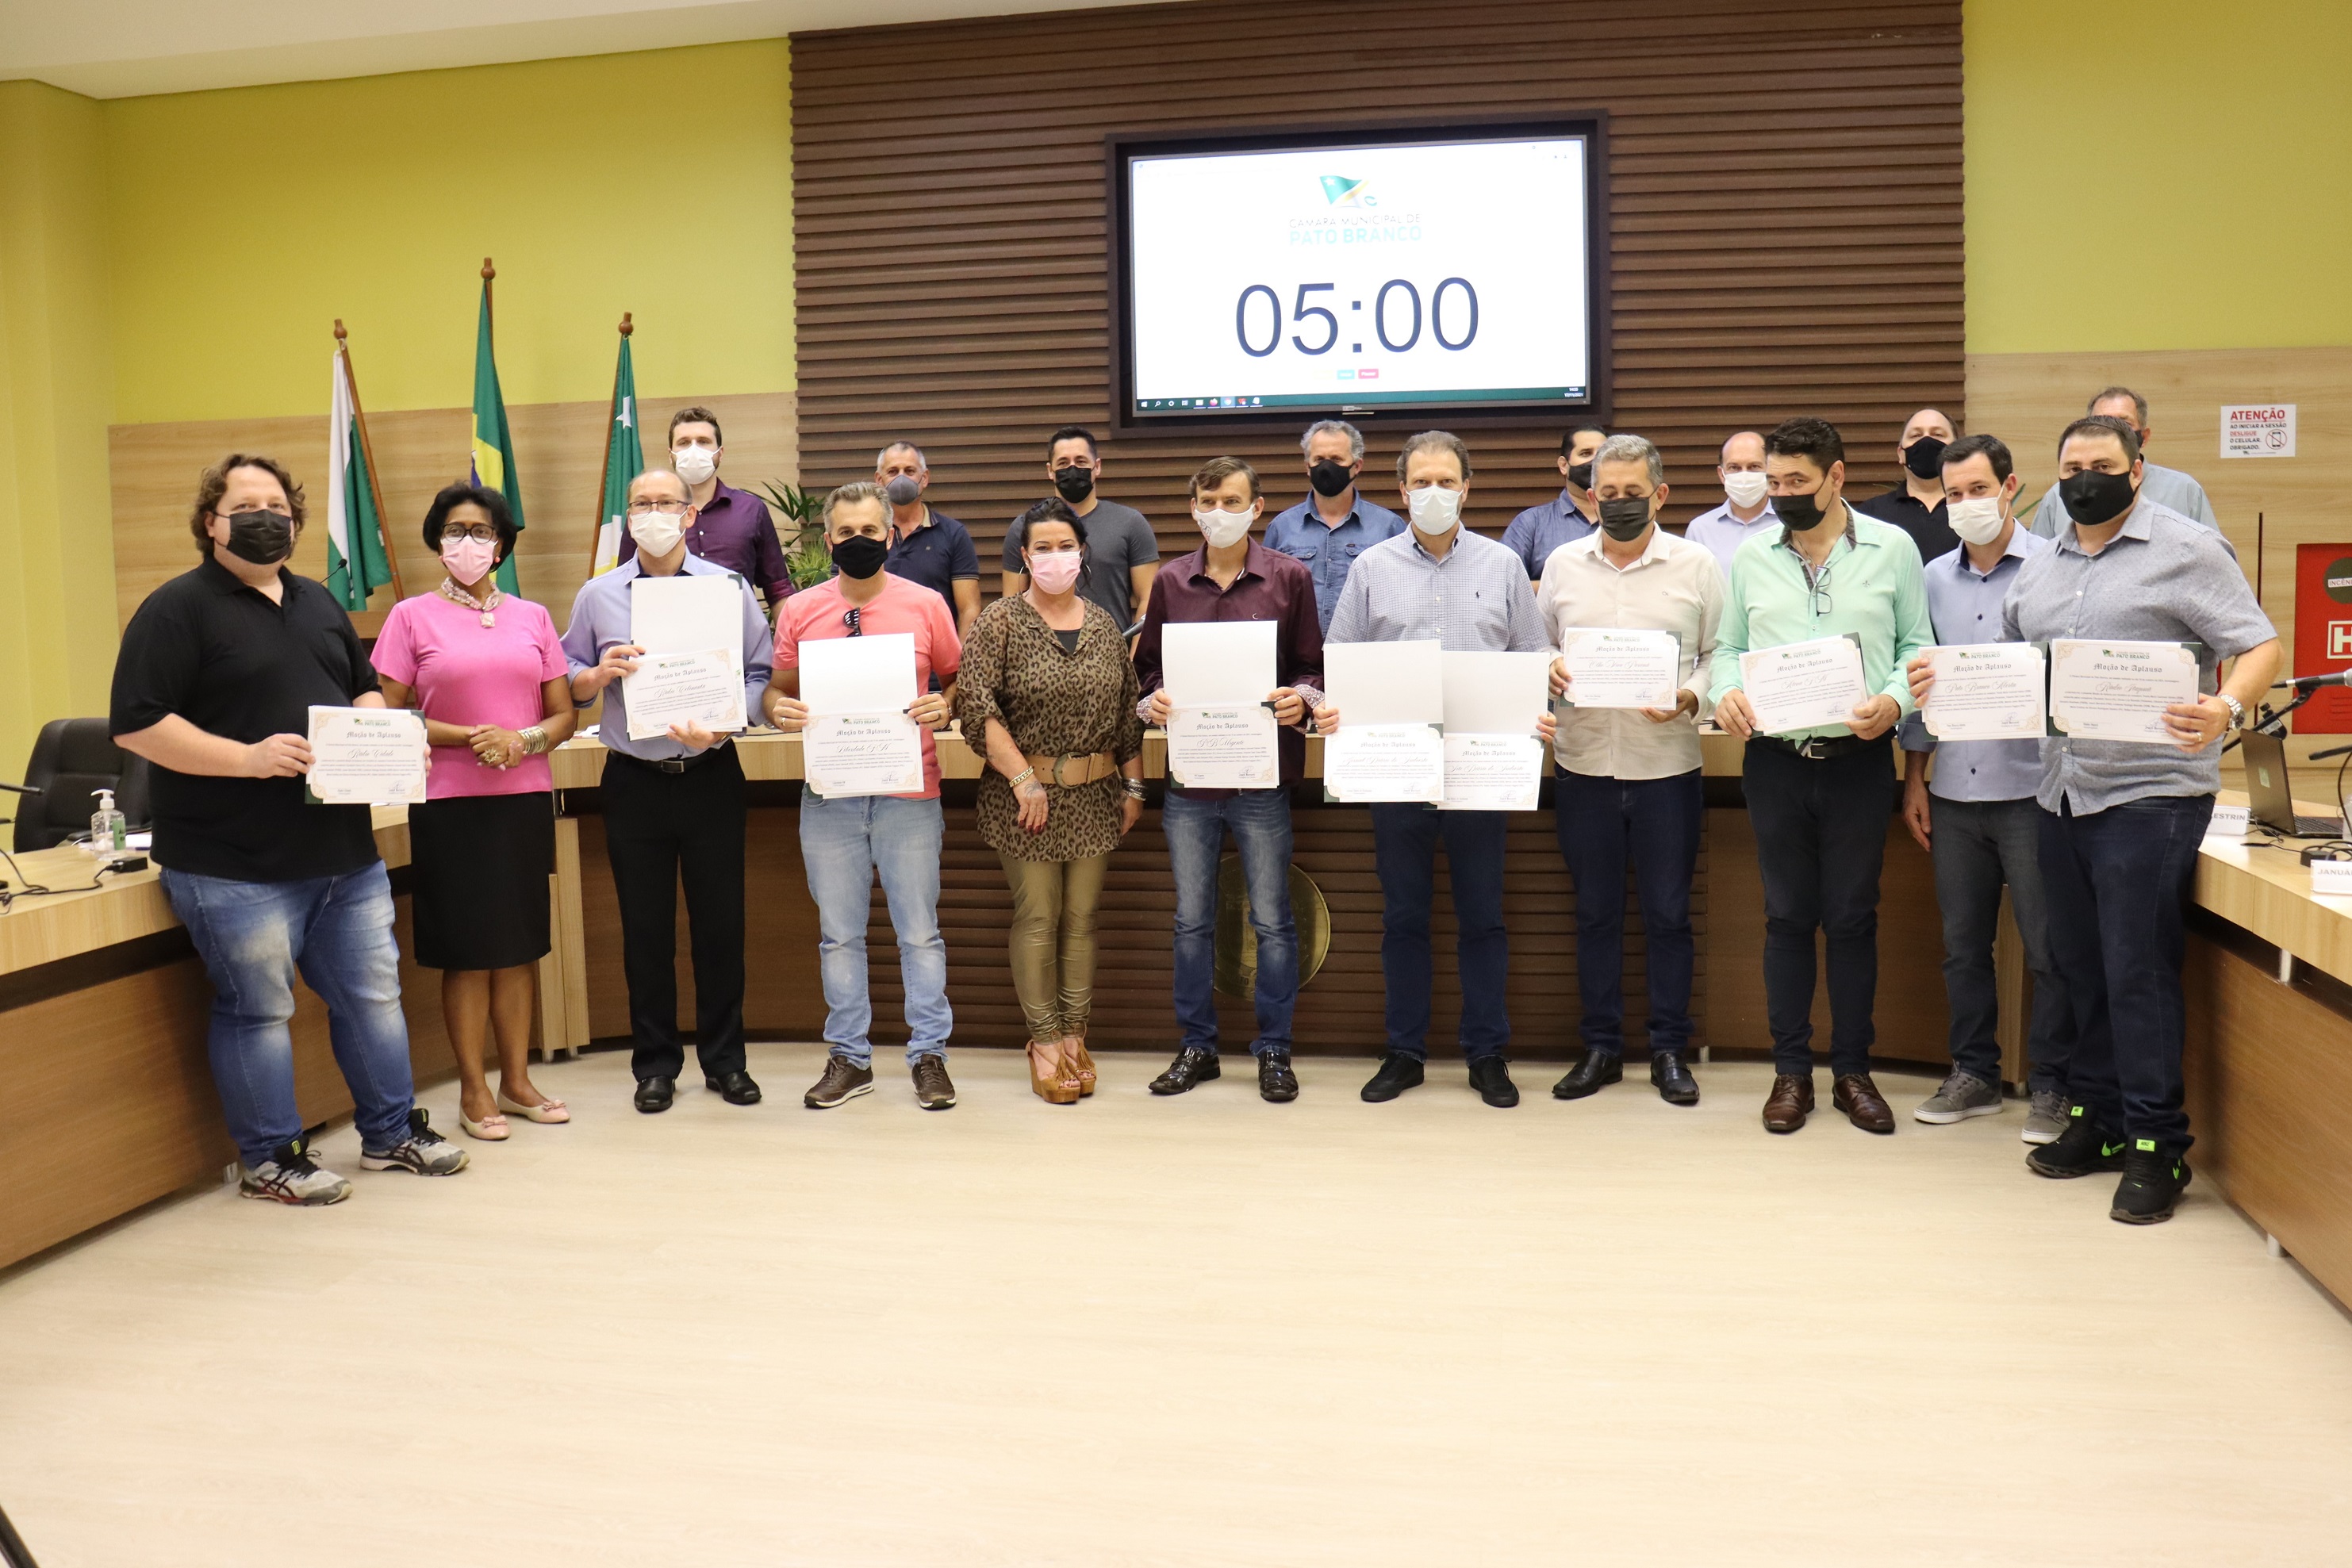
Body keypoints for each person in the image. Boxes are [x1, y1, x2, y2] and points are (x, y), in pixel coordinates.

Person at [109, 454, 468, 1204]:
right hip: (230, 863)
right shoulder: (175, 608)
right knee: (260, 1009)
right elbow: (137, 724)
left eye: (277, 506)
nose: (265, 518)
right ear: (210, 523)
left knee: (373, 996)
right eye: (245, 506)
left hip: (342, 855)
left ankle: (390, 1132)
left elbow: (363, 688)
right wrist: (245, 759)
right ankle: (271, 1157)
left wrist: (383, 737)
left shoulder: (318, 602)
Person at [1981, 414, 2277, 1223]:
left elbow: (2259, 646)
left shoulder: (2187, 549)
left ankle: (2156, 1144)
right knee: (2078, 967)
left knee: (2135, 972)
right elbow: (2012, 660)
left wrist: (2223, 706)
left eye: (2103, 466)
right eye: (2071, 466)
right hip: (2061, 791)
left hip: (2149, 796)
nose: (2085, 479)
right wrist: (1955, 683)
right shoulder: (2043, 564)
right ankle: (2099, 1118)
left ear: (2136, 470)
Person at [1710, 417, 1932, 1136]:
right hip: (1774, 764)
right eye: (1773, 482)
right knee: (1784, 916)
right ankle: (1790, 1073)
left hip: (1857, 764)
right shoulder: (1751, 556)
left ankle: (1852, 1072)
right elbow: (1726, 650)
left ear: (1836, 477)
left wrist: (1893, 700)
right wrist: (1726, 691)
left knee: (1852, 917)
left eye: (1796, 482)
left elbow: (1915, 645)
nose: (1780, 494)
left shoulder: (1892, 548)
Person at [1326, 431, 1556, 1109]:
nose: (1434, 492)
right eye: (1421, 481)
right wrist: (1331, 710)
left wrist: (1538, 714)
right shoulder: (1371, 567)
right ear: (1401, 491)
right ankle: (1405, 1051)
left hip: (1481, 772)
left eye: (1445, 481)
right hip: (1395, 772)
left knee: (1482, 916)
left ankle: (1487, 1053)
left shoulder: (1502, 563)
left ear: (1466, 488)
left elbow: (1534, 657)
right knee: (1403, 917)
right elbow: (1340, 663)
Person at [563, 469, 774, 1114]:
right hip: (634, 780)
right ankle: (654, 1064)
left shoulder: (727, 587)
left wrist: (728, 721)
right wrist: (596, 674)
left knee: (720, 926)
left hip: (710, 773)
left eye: (665, 503)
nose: (652, 513)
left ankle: (726, 1061)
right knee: (644, 929)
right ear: (628, 516)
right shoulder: (598, 594)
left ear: (689, 515)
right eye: (641, 504)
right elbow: (567, 673)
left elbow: (760, 671)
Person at [372, 481, 577, 1141]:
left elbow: (563, 713)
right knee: (467, 952)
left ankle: (516, 1080)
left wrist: (524, 740)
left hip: (522, 801)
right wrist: (471, 736)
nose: (468, 542)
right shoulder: (410, 617)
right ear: (438, 541)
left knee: (517, 948)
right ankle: (472, 1086)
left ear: (502, 545)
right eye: (455, 530)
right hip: (449, 805)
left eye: (481, 531)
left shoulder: (533, 617)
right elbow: (385, 713)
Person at [1892, 435, 2071, 1141]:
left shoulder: (2057, 565)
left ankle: (2053, 1084)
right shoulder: (1932, 576)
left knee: (2047, 948)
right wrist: (1915, 776)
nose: (1966, 503)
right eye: (1954, 493)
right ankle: (1973, 1072)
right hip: (1954, 792)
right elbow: (1919, 681)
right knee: (1962, 946)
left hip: (2033, 791)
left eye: (1977, 489)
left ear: (2009, 487)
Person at [764, 481, 963, 1112]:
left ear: (890, 535)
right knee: (839, 937)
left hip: (910, 791)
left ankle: (928, 1056)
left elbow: (959, 680)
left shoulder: (926, 604)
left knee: (920, 934)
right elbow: (775, 690)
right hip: (832, 794)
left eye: (870, 531)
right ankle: (849, 1058)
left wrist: (944, 704)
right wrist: (779, 709)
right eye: (846, 532)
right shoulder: (800, 610)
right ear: (828, 540)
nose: (858, 541)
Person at [1538, 435, 1722, 1107]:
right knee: (1594, 914)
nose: (1617, 503)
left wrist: (1690, 696)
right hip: (1583, 764)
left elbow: (1720, 651)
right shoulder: (1561, 564)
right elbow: (1538, 647)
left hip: (1666, 766)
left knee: (1668, 915)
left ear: (1659, 494)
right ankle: (1601, 1048)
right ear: (1589, 495)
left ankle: (1669, 1049)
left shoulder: (1697, 564)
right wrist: (1548, 669)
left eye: (1631, 493)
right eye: (1606, 493)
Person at [1134, 458, 1326, 1103]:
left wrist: (1301, 696)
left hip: (1261, 779)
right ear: (1193, 508)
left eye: (1233, 500)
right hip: (1191, 782)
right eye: (1209, 500)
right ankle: (1197, 1046)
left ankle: (1274, 1049)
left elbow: (1312, 667)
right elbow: (1147, 671)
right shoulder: (1170, 581)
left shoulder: (1290, 577)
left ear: (1257, 507)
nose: (1220, 511)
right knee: (1191, 921)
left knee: (1272, 919)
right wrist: (1154, 700)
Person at [958, 498, 1146, 1103]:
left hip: (1095, 798)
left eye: (1066, 546)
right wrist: (1022, 779)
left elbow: (1126, 714)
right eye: (1043, 547)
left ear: (1082, 552)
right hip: (1025, 801)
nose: (1055, 556)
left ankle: (1073, 1035)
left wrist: (1135, 785)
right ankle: (1042, 1041)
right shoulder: (1000, 621)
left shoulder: (1103, 624)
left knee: (1082, 919)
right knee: (1039, 916)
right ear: (1024, 555)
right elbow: (976, 706)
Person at [616, 406, 794, 610]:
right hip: (660, 623)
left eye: (703, 442)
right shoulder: (647, 514)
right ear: (671, 454)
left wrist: (788, 631)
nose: (693, 450)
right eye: (684, 443)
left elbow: (778, 589)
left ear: (720, 453)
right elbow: (624, 585)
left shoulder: (751, 510)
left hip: (734, 627)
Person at [1001, 426, 1160, 633]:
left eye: (1081, 462)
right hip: (1038, 650)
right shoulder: (1023, 528)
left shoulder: (1131, 523)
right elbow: (1011, 604)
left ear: (1097, 467)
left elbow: (1149, 601)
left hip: (1112, 647)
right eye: (1063, 463)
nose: (1073, 469)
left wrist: (1132, 652)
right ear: (1050, 471)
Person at [1261, 419, 1406, 631]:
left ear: (1357, 466)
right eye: (1319, 459)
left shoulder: (1389, 527)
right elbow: (1265, 599)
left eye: (1337, 459)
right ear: (1308, 467)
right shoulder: (1281, 528)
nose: (1326, 467)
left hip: (1366, 648)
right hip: (1300, 650)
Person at [2028, 387, 2219, 535]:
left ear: (2144, 436)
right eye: (2100, 424)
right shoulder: (2058, 496)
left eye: (2124, 424)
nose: (2112, 433)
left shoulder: (2184, 491)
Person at [876, 440, 980, 639]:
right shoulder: (865, 536)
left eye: (909, 471)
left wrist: (960, 656)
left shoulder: (953, 534)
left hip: (935, 653)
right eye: (893, 471)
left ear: (924, 478)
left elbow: (969, 609)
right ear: (879, 480)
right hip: (880, 653)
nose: (901, 478)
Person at [1852, 406, 1961, 562]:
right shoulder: (1870, 514)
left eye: (1938, 434)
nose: (1926, 441)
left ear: (1956, 450)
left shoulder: (1972, 508)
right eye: (1916, 435)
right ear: (1901, 454)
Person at [1499, 423, 1606, 580]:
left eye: (1603, 454)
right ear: (1564, 465)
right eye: (1585, 453)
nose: (1596, 461)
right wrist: (1561, 585)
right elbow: (1503, 583)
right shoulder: (1531, 524)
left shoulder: (1630, 520)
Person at [1683, 431, 1779, 576]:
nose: (1744, 475)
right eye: (1734, 468)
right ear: (1722, 475)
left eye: (1754, 466)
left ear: (1770, 469)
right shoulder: (1700, 530)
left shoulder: (1788, 524)